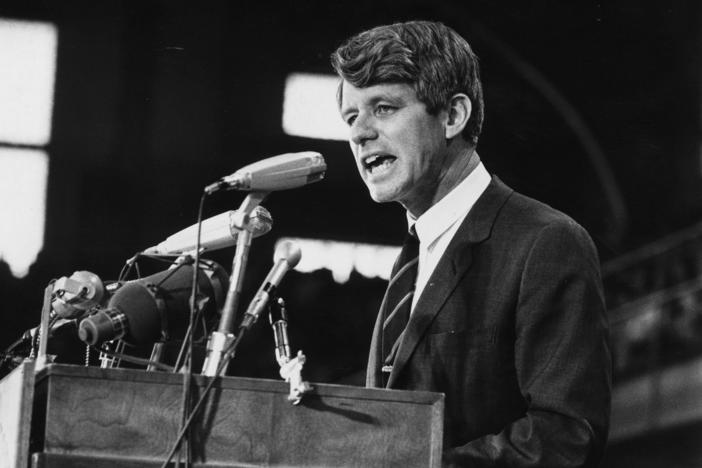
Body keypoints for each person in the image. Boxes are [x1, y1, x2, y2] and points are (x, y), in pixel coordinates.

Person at [331, 21, 611, 467]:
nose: (359, 132)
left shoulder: (546, 241)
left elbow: (565, 438)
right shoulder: (413, 257)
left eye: (382, 108)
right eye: (351, 116)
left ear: (453, 116)